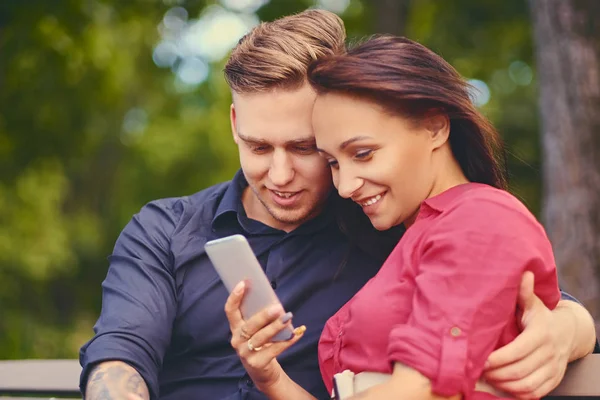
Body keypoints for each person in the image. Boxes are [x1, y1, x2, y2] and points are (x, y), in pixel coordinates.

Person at [79, 10, 597, 400]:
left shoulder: (387, 218)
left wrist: (568, 329)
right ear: (234, 124)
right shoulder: (166, 229)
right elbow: (121, 355)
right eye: (259, 147)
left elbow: (515, 287)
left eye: (308, 150)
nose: (279, 175)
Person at [223, 34, 599, 400]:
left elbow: (425, 390)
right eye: (334, 162)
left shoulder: (480, 220)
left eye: (364, 153)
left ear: (434, 126)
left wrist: (573, 322)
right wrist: (271, 378)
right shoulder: (416, 232)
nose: (345, 185)